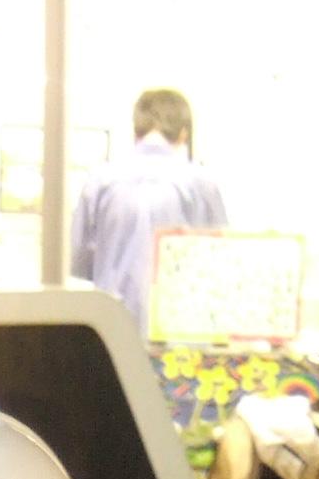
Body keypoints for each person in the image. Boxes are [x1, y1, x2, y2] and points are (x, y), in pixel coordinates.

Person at [68, 87, 229, 335]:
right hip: (180, 331)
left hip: (112, 329)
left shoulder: (101, 180)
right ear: (184, 133)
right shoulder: (201, 184)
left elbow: (78, 261)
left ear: (136, 132)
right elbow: (220, 261)